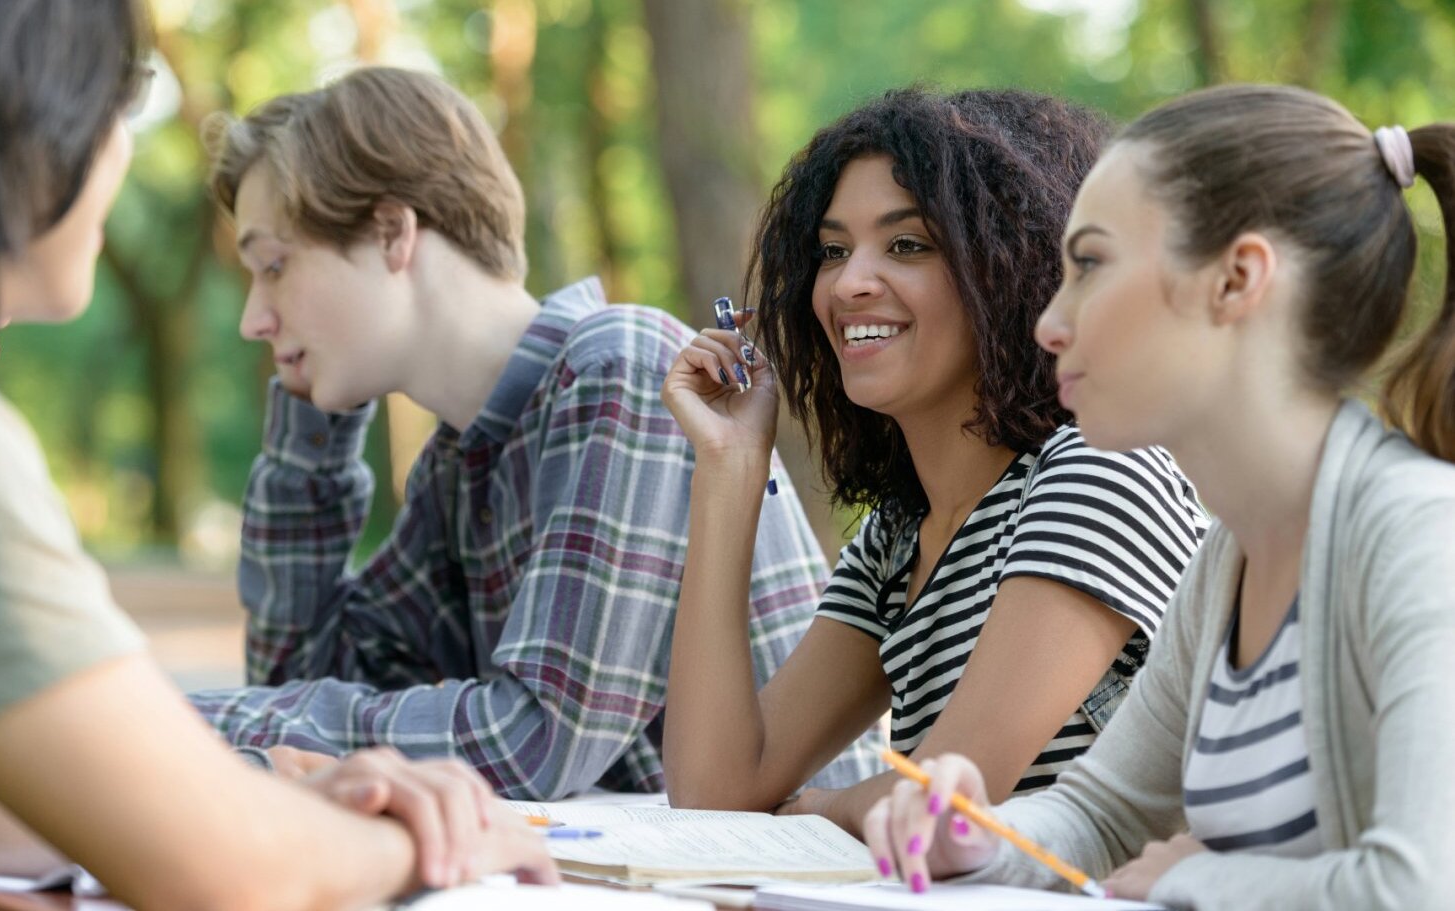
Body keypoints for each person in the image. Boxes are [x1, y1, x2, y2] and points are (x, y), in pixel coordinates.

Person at [0, 1, 553, 907]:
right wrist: (417, 844)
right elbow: (227, 870)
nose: (124, 146)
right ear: (19, 122)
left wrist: (249, 794)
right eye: (115, 102)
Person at [186, 65, 879, 799]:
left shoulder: (622, 367)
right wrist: (312, 436)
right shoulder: (461, 464)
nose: (251, 318)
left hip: (792, 880)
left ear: (392, 233)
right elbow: (304, 686)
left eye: (273, 265)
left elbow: (534, 742)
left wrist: (186, 719)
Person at [872, 84, 1455, 910]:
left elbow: (1424, 887)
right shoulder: (1229, 560)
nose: (1048, 322)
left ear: (1236, 279)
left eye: (1090, 265)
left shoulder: (1421, 536)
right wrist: (970, 836)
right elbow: (1101, 814)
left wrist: (1193, 879)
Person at [659, 87, 1209, 839]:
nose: (850, 282)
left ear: (1011, 268)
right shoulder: (897, 537)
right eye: (832, 250)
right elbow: (714, 786)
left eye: (907, 245)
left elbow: (946, 804)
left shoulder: (1100, 470)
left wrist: (823, 805)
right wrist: (728, 464)